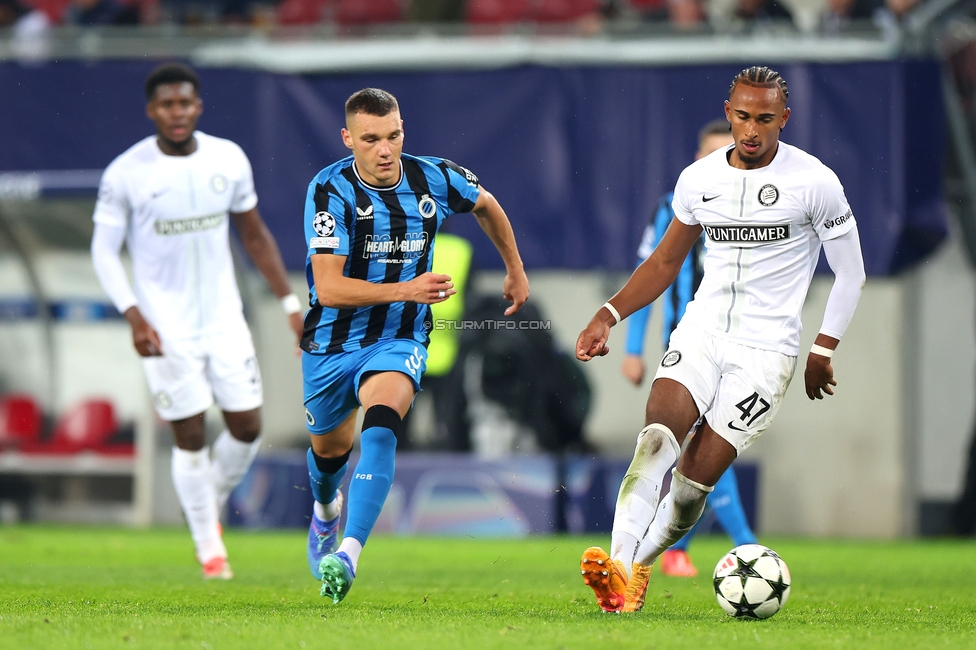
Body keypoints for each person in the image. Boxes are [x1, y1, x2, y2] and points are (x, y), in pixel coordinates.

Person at [576, 65, 865, 613]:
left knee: (690, 487)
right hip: (702, 331)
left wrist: (822, 348)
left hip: (766, 353)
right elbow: (664, 262)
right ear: (728, 112)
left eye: (763, 119)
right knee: (655, 440)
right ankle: (617, 570)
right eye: (741, 117)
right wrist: (608, 314)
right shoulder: (700, 179)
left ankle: (639, 566)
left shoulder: (815, 182)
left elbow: (851, 272)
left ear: (784, 118)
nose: (751, 131)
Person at [300, 88, 529, 604]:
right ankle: (325, 512)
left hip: (399, 335)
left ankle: (349, 554)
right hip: (331, 342)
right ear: (348, 140)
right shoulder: (329, 191)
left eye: (394, 136)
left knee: (381, 427)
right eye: (371, 139)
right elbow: (330, 287)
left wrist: (514, 269)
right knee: (329, 454)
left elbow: (486, 205)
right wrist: (407, 287)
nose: (385, 150)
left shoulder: (434, 176)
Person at [90, 63, 303, 580]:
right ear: (152, 111)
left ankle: (205, 499)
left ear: (198, 106)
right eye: (167, 105)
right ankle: (211, 550)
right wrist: (134, 316)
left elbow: (254, 236)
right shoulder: (127, 173)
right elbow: (102, 251)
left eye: (185, 103)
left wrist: (291, 305)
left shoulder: (227, 159)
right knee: (188, 434)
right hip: (167, 329)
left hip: (226, 319)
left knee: (247, 426)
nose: (177, 113)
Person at [621, 119, 758, 578]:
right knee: (708, 446)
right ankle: (747, 550)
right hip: (688, 346)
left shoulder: (758, 208)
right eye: (713, 153)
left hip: (747, 348)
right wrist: (633, 348)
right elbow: (651, 273)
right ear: (698, 160)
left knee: (711, 450)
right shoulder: (674, 207)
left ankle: (673, 550)